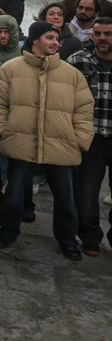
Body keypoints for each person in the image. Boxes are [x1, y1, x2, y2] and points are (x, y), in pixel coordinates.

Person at [0, 21, 93, 259]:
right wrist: (2, 131)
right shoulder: (10, 69)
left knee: (66, 197)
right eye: (50, 38)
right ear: (35, 40)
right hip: (20, 142)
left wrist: (79, 139)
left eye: (57, 39)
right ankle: (8, 231)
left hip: (61, 145)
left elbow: (84, 109)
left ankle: (67, 239)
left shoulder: (72, 75)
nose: (56, 42)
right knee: (14, 192)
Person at [68, 16, 112, 256]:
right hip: (90, 137)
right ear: (92, 35)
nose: (102, 38)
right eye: (98, 34)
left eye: (108, 34)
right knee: (87, 192)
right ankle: (90, 237)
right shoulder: (78, 61)